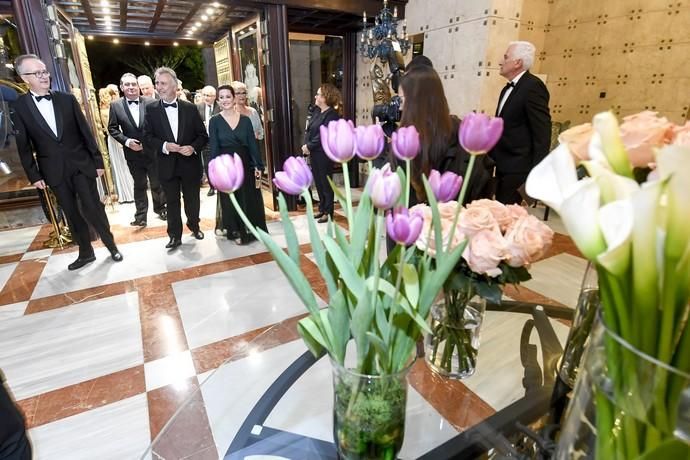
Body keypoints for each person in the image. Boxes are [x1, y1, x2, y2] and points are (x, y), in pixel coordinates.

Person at [12, 54, 122, 270]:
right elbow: (23, 145)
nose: (44, 76)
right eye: (38, 73)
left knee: (93, 208)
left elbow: (85, 132)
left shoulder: (66, 99)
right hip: (53, 170)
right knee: (71, 213)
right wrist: (34, 175)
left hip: (81, 164)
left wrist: (98, 161)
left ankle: (112, 246)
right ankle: (86, 253)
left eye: (44, 71)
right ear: (25, 78)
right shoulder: (20, 106)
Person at [397, 65, 493, 206]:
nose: (399, 107)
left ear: (415, 101)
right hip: (458, 218)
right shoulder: (461, 131)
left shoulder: (408, 139)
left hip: (420, 221)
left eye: (401, 99)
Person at [143, 67, 208, 251]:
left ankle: (194, 226)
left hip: (189, 165)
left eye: (163, 83)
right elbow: (147, 137)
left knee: (193, 200)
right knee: (171, 202)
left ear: (174, 86)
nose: (159, 87)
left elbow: (203, 136)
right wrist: (164, 146)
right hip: (166, 165)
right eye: (157, 83)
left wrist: (193, 147)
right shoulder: (151, 109)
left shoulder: (190, 108)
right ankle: (174, 236)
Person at [490, 40, 551, 204]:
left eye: (505, 57)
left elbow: (542, 133)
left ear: (517, 62)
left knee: (508, 217)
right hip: (502, 164)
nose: (500, 62)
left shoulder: (533, 87)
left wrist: (536, 173)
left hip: (518, 167)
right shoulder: (506, 89)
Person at [208, 85, 267, 244]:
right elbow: (213, 147)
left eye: (228, 96)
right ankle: (234, 229)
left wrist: (258, 166)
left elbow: (252, 145)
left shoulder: (246, 120)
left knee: (246, 197)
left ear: (234, 98)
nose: (225, 100)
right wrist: (212, 171)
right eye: (222, 97)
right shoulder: (214, 121)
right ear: (218, 100)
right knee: (229, 199)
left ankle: (246, 231)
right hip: (225, 166)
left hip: (245, 164)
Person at [108, 72, 167, 227]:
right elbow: (112, 128)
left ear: (138, 86)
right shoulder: (115, 105)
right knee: (139, 184)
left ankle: (161, 209)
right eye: (127, 84)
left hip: (152, 151)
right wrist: (127, 142)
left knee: (156, 182)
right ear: (122, 87)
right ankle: (141, 216)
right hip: (132, 153)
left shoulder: (150, 102)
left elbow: (159, 125)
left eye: (133, 84)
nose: (131, 87)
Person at [302, 83, 341, 223]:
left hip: (324, 153)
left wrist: (309, 146)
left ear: (325, 97)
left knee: (326, 183)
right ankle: (322, 209)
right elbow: (310, 130)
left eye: (318, 94)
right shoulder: (317, 112)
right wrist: (306, 145)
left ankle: (328, 212)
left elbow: (323, 135)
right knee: (318, 182)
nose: (315, 96)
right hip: (314, 152)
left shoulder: (332, 115)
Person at [99, 86, 135, 203]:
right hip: (115, 140)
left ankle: (130, 191)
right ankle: (126, 193)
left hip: (120, 138)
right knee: (120, 165)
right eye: (112, 93)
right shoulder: (105, 111)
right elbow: (110, 129)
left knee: (125, 165)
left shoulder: (115, 108)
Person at [196, 85, 220, 196]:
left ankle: (221, 184)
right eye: (204, 95)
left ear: (214, 96)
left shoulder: (220, 106)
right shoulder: (198, 107)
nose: (206, 97)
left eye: (209, 95)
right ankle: (211, 186)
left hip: (218, 140)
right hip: (205, 141)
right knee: (207, 165)